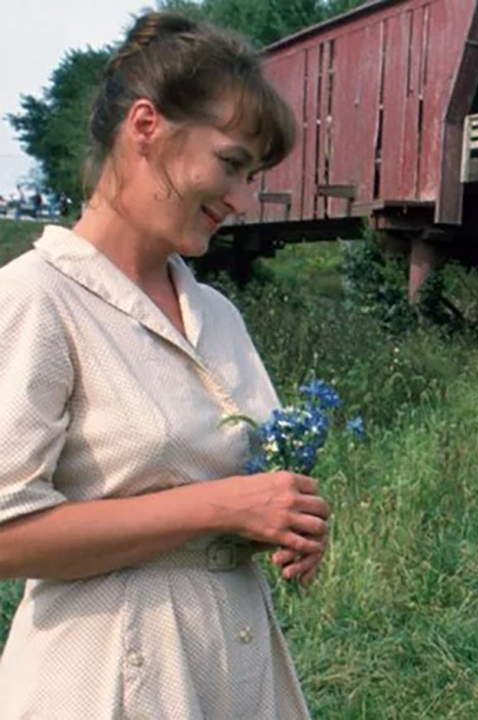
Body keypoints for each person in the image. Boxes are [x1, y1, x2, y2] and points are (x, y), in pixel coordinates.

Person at [0, 12, 328, 718]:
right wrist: (221, 505)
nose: (242, 199)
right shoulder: (39, 297)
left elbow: (245, 482)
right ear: (146, 127)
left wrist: (283, 520)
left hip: (233, 667)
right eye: (232, 163)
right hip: (104, 681)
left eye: (254, 174)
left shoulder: (218, 314)